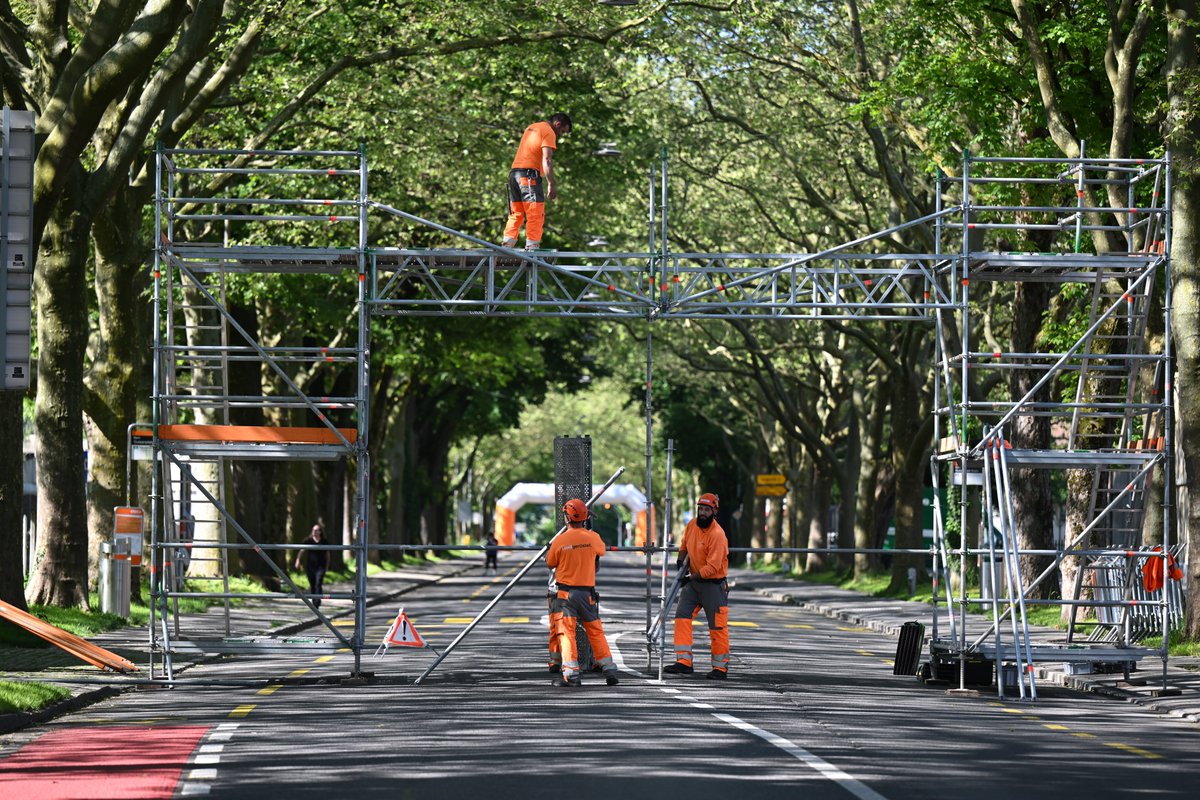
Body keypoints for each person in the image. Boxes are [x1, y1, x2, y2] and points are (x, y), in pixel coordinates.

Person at [545, 497, 619, 687]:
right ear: (585, 518)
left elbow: (550, 563)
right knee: (596, 631)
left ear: (567, 518)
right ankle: (609, 669)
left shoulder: (560, 540)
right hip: (587, 594)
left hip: (566, 595)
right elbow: (601, 551)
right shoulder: (593, 537)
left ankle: (571, 674)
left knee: (566, 633)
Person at [663, 493, 731, 679]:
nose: (702, 512)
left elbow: (712, 567)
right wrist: (680, 561)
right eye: (700, 509)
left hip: (713, 585)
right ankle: (684, 662)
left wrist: (690, 577)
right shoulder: (692, 525)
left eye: (707, 510)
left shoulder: (717, 535)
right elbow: (684, 545)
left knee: (717, 627)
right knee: (681, 617)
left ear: (714, 511)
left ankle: (720, 668)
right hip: (694, 584)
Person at [501, 112, 572, 251]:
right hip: (529, 177)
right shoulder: (549, 132)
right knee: (535, 213)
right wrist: (551, 183)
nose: (561, 135)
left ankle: (506, 246)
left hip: (514, 175)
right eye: (562, 131)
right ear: (557, 124)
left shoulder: (533, 127)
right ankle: (532, 248)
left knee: (516, 214)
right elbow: (547, 159)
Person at [294, 524, 330, 608]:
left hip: (321, 566)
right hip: (310, 566)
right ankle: (314, 602)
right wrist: (298, 560)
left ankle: (317, 601)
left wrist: (327, 565)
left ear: (320, 532)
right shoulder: (308, 540)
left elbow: (327, 554)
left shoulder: (324, 541)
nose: (314, 531)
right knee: (312, 584)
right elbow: (301, 551)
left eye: (316, 530)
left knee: (318, 582)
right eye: (313, 530)